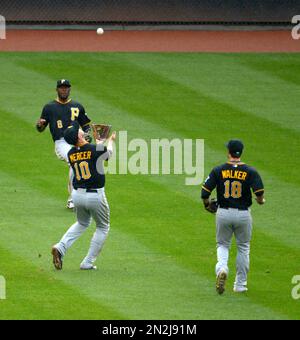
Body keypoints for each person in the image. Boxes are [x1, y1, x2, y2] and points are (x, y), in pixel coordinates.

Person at [201, 140, 265, 294]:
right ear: (240, 152)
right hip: (243, 214)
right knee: (243, 247)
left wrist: (207, 205)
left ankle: (222, 268)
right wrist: (261, 201)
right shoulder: (250, 171)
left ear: (228, 152)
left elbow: (205, 193)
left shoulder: (219, 170)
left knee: (222, 245)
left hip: (223, 213)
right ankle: (240, 285)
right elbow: (259, 195)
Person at [51, 121, 116, 270]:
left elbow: (91, 154)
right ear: (78, 137)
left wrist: (99, 142)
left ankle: (60, 247)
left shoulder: (71, 154)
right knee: (103, 227)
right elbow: (108, 155)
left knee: (82, 223)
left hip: (77, 196)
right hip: (95, 196)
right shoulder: (93, 149)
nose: (82, 131)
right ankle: (87, 262)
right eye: (79, 132)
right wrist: (109, 141)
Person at [36, 79, 92, 209]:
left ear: (70, 89)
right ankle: (73, 199)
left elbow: (86, 126)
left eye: (66, 87)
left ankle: (81, 196)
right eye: (61, 87)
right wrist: (39, 125)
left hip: (78, 141)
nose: (64, 90)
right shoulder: (49, 107)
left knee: (81, 163)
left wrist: (88, 137)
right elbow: (41, 128)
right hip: (61, 142)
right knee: (75, 160)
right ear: (57, 89)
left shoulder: (77, 106)